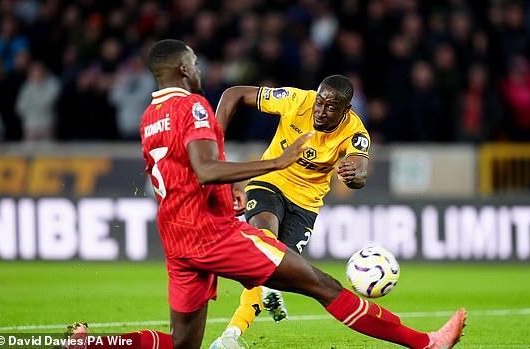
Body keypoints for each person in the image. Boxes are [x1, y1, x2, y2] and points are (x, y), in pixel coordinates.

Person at [66, 39, 466, 349]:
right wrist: (276, 162)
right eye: (196, 63)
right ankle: (425, 342)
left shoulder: (150, 117)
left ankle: (93, 344)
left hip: (178, 237)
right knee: (323, 285)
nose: (200, 69)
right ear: (184, 68)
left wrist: (353, 173)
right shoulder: (194, 107)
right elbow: (206, 169)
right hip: (215, 233)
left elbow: (187, 171)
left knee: (183, 343)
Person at [210, 72, 372, 349]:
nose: (320, 111)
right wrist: (214, 148)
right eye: (320, 102)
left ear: (346, 110)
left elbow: (361, 174)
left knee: (273, 269)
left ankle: (229, 337)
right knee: (264, 241)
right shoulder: (296, 100)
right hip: (270, 181)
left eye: (331, 107)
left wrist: (352, 174)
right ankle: (230, 338)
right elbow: (233, 93)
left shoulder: (356, 133)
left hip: (306, 205)